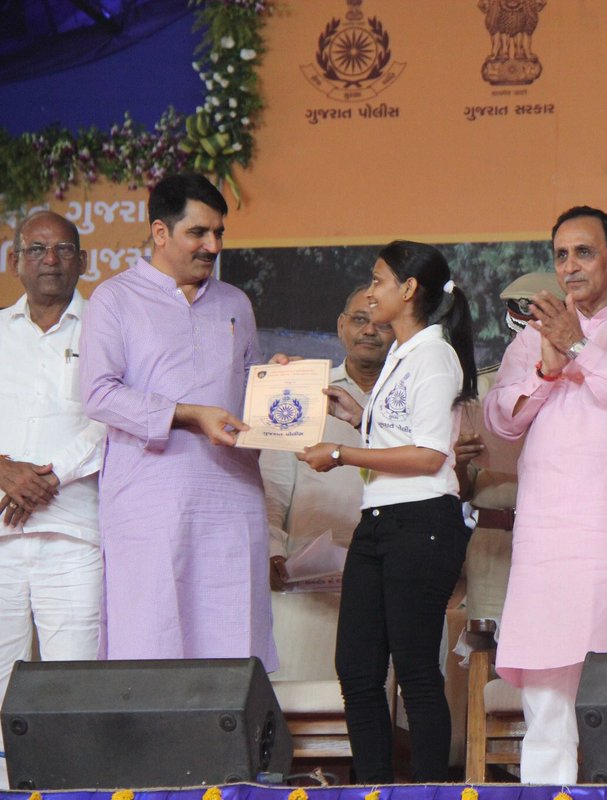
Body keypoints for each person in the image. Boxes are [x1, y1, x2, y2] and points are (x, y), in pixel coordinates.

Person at [483, 206, 607, 783]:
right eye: (561, 255)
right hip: (548, 537)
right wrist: (546, 369)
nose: (569, 267)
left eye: (584, 252)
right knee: (546, 701)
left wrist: (580, 349)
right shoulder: (533, 335)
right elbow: (501, 421)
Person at [80, 173, 277, 670]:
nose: (212, 246)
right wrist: (189, 415)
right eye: (198, 233)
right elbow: (99, 394)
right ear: (160, 233)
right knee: (152, 643)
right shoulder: (114, 299)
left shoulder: (236, 303)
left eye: (219, 233)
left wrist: (277, 385)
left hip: (232, 499)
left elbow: (248, 389)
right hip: (151, 503)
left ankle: (229, 750)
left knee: (232, 645)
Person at [298, 241, 477, 783]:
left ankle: (426, 792)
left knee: (417, 672)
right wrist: (356, 417)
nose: (371, 291)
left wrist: (341, 453)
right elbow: (404, 435)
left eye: (378, 281)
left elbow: (428, 455)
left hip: (422, 523)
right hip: (381, 523)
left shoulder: (434, 354)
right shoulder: (403, 353)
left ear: (407, 290)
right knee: (356, 669)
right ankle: (373, 787)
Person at [0, 212, 105, 789]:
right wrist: (4, 470)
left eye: (63, 249)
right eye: (36, 248)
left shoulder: (104, 331)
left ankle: (77, 789)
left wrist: (47, 476)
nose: (49, 259)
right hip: (0, 537)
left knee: (73, 686)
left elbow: (112, 420)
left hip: (74, 534)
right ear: (16, 260)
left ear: (82, 262)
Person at [262, 285, 394, 586]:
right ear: (341, 325)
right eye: (360, 320)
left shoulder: (410, 399)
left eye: (383, 323)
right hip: (307, 572)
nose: (370, 331)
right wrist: (271, 551)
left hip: (390, 569)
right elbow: (274, 488)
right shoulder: (304, 390)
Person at [456, 271, 564, 623]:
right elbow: (461, 488)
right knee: (488, 654)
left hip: (560, 537)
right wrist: (457, 462)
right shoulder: (484, 388)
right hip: (495, 540)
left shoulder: (582, 385)